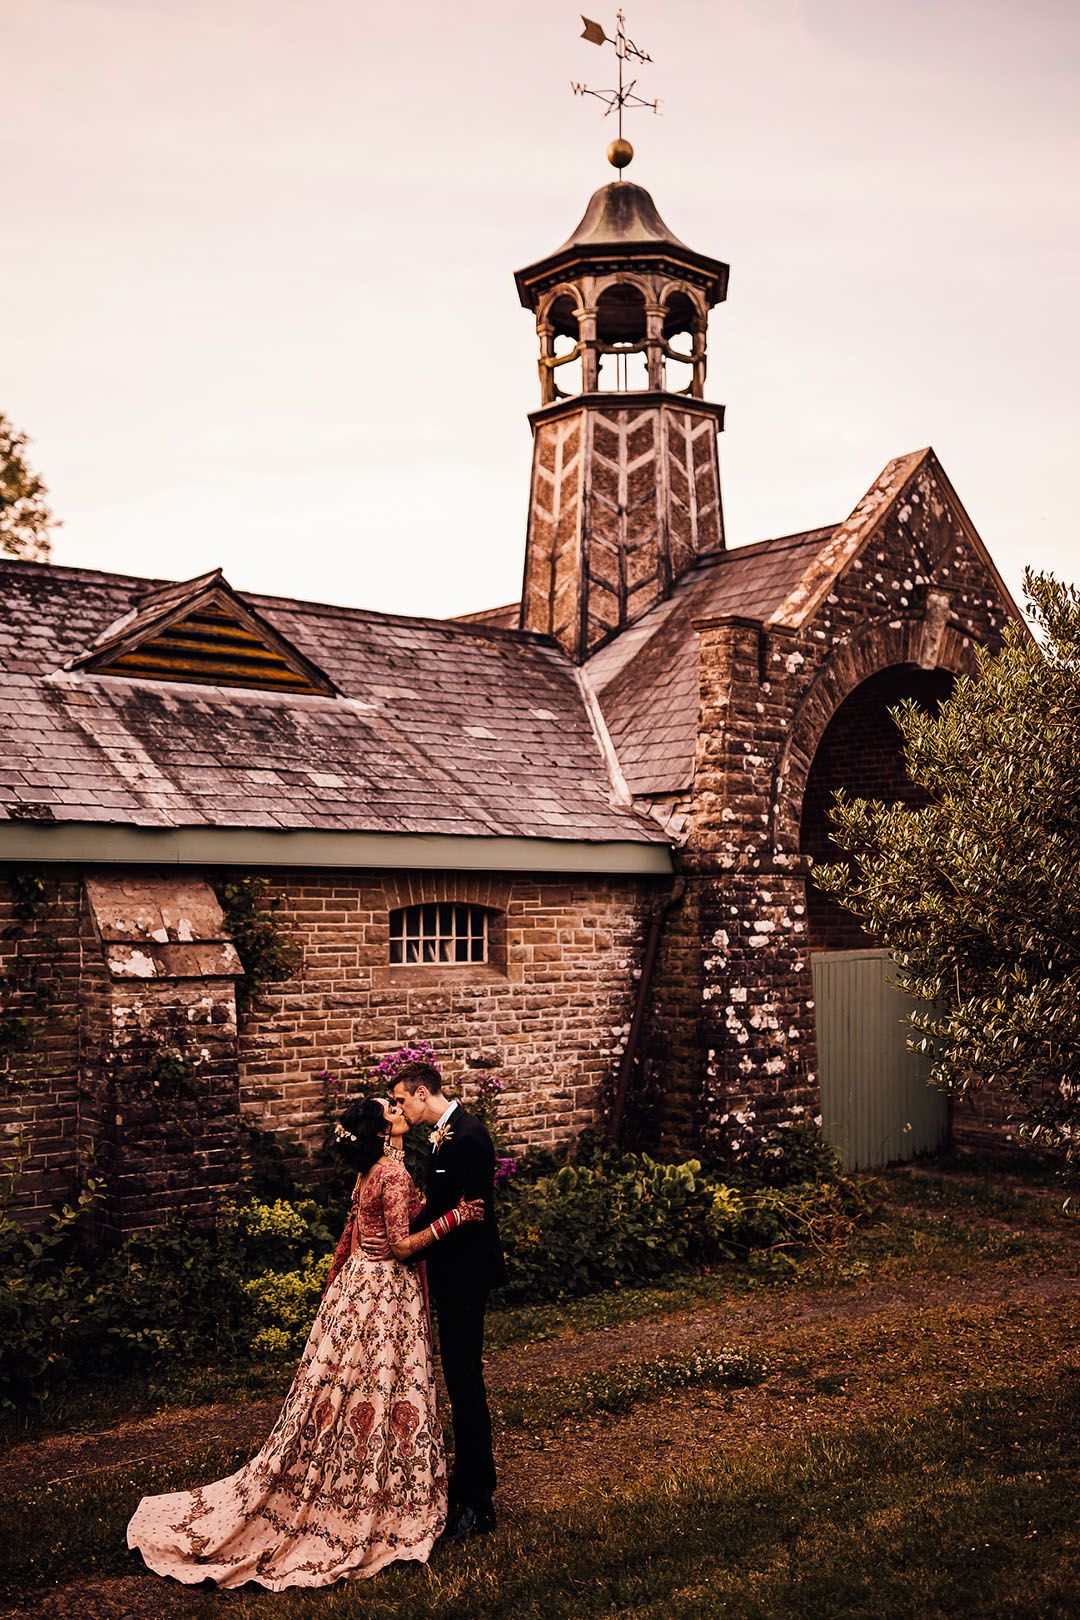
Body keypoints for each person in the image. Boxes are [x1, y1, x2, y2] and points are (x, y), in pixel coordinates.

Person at [126, 1095, 484, 1591]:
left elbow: (378, 1225)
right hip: (381, 1295)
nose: (398, 1109)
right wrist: (456, 1218)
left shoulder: (371, 1172)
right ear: (383, 1132)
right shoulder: (394, 1173)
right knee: (379, 1386)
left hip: (355, 1287)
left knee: (349, 1389)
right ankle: (374, 1496)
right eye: (390, 1110)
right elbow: (401, 1245)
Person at [391, 1060, 507, 1541]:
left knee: (465, 1381)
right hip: (448, 1272)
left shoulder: (471, 1137)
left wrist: (414, 1240)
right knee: (457, 1377)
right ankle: (464, 1484)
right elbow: (444, 1205)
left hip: (466, 1275)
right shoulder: (443, 1134)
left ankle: (478, 1501)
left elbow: (471, 1215)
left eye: (401, 1100)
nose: (399, 1108)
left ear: (422, 1093)